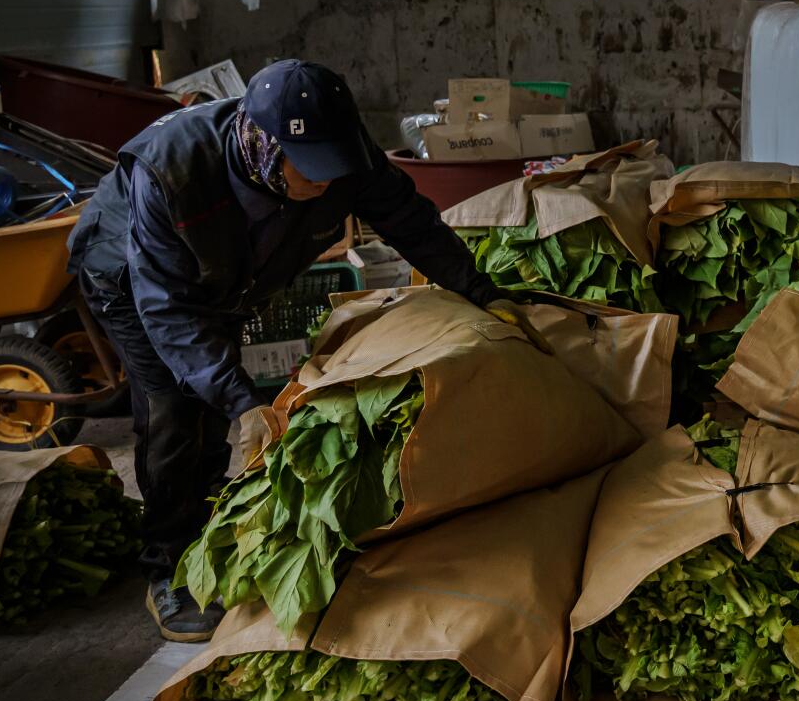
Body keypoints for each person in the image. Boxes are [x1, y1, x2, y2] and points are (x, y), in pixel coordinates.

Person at [68, 60, 505, 642]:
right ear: (262, 146)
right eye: (311, 167)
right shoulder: (173, 171)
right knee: (175, 409)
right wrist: (240, 399)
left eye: (333, 163)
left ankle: (210, 528)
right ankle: (170, 567)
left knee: (217, 410)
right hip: (132, 276)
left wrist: (481, 292)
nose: (326, 181)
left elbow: (409, 220)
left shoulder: (341, 155)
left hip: (227, 276)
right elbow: (168, 310)